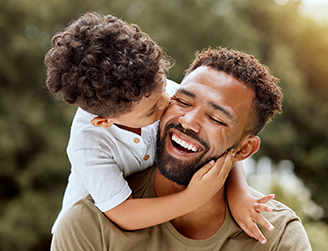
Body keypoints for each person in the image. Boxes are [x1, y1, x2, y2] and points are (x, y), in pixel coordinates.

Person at [50, 47, 311, 250]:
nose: (187, 121)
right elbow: (121, 213)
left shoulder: (277, 235)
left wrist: (238, 192)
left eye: (216, 119)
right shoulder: (88, 223)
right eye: (183, 102)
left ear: (244, 150)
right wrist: (192, 199)